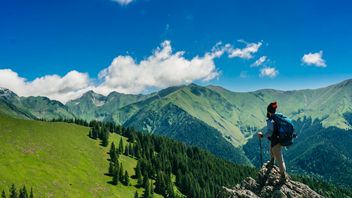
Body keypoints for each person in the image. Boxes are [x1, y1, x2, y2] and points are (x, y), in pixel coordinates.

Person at [258, 101, 287, 179]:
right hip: (277, 140)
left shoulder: (271, 120)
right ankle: (272, 161)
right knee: (271, 149)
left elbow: (270, 132)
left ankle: (283, 175)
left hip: (276, 142)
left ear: (269, 111)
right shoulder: (278, 117)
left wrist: (262, 135)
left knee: (280, 158)